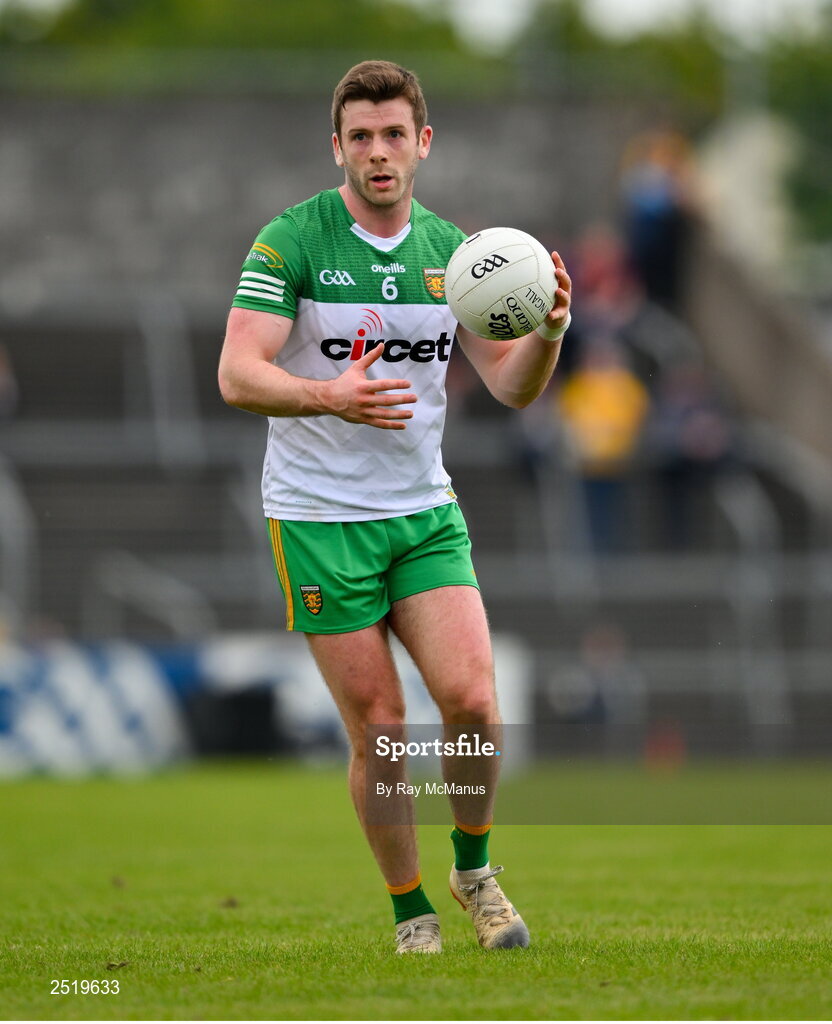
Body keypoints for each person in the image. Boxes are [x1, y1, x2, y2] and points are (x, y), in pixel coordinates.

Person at [218, 60, 572, 954]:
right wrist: (327, 396)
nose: (379, 152)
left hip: (422, 512)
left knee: (474, 706)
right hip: (317, 518)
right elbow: (237, 372)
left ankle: (475, 873)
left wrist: (551, 336)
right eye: (361, 136)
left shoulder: (457, 259)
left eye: (393, 135)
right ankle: (411, 911)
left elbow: (513, 388)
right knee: (380, 729)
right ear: (338, 146)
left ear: (423, 143)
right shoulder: (290, 242)